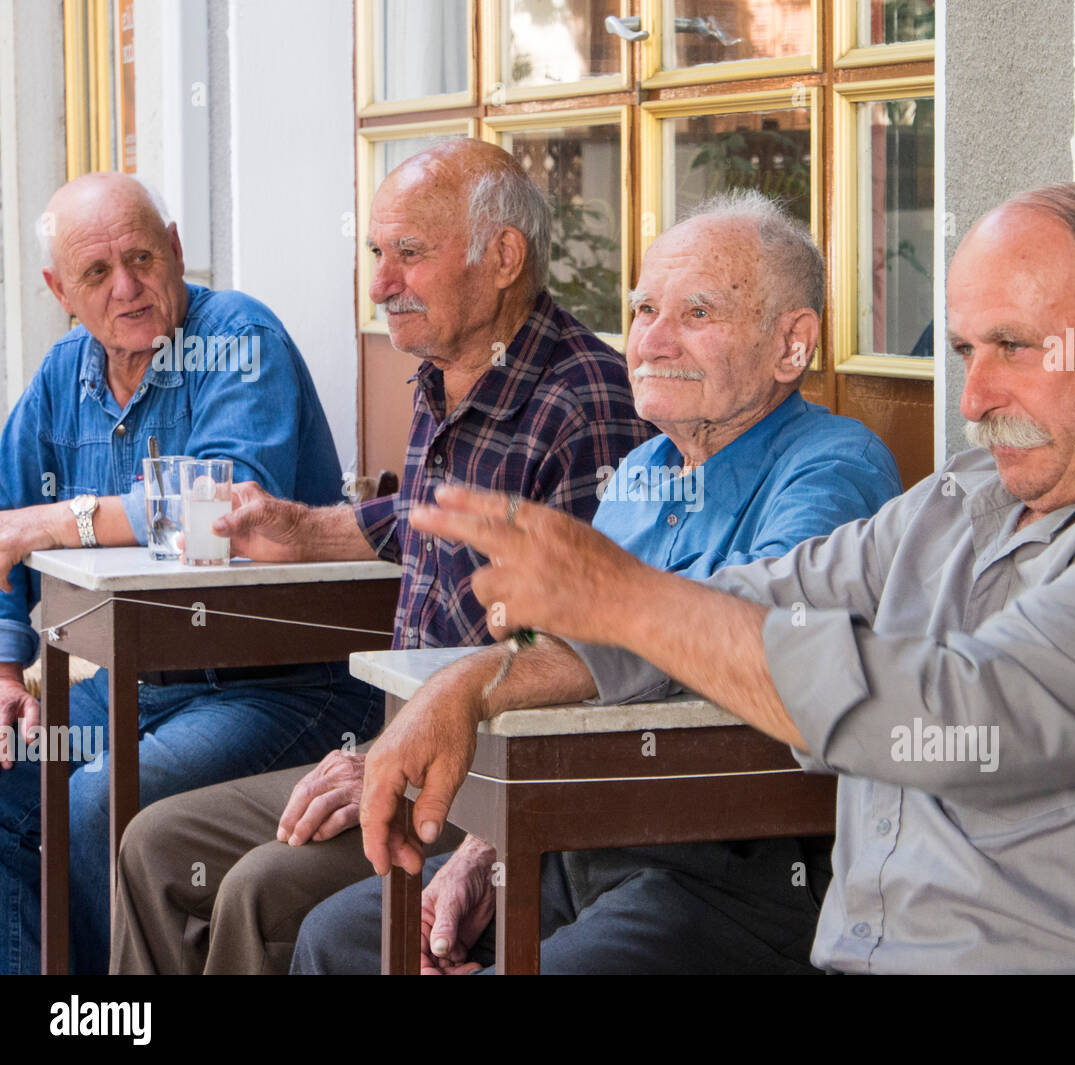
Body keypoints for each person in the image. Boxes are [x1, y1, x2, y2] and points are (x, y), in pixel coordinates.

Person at [357, 182, 1075, 973]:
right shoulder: (964, 499)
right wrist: (474, 682)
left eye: (1013, 348)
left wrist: (624, 593)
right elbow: (752, 600)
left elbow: (957, 718)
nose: (972, 399)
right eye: (966, 352)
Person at [291, 189, 902, 975]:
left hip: (727, 871)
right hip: (574, 844)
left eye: (697, 313)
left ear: (792, 345)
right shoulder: (641, 472)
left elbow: (745, 638)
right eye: (645, 308)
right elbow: (565, 661)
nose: (652, 339)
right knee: (340, 938)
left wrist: (476, 679)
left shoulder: (833, 466)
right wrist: (485, 852)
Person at [109, 139, 650, 975]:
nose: (378, 284)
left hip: (482, 789)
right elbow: (412, 521)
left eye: (408, 254)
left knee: (257, 886)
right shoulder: (446, 374)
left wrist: (400, 775)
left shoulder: (583, 406)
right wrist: (292, 526)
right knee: (152, 841)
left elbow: (584, 659)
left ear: (503, 257)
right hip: (391, 747)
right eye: (375, 254)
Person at [0, 172, 377, 974]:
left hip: (279, 684)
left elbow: (222, 513)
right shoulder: (62, 376)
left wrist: (61, 519)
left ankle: (112, 1016)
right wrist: (3, 668)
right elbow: (5, 531)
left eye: (141, 257)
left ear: (175, 248)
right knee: (6, 775)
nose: (127, 288)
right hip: (137, 688)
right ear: (58, 289)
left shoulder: (239, 337)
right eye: (97, 274)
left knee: (97, 800)